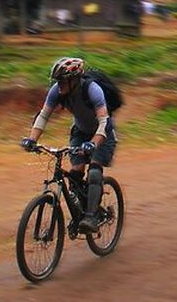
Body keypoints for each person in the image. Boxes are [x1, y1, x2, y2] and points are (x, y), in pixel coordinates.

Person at [20, 57, 118, 233]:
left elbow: (104, 120)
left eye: (63, 81)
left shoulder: (92, 90)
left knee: (94, 171)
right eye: (57, 81)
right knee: (75, 173)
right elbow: (43, 115)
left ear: (74, 79)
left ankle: (91, 217)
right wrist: (32, 139)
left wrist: (94, 143)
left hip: (103, 133)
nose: (59, 85)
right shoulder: (56, 91)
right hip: (80, 132)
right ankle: (80, 212)